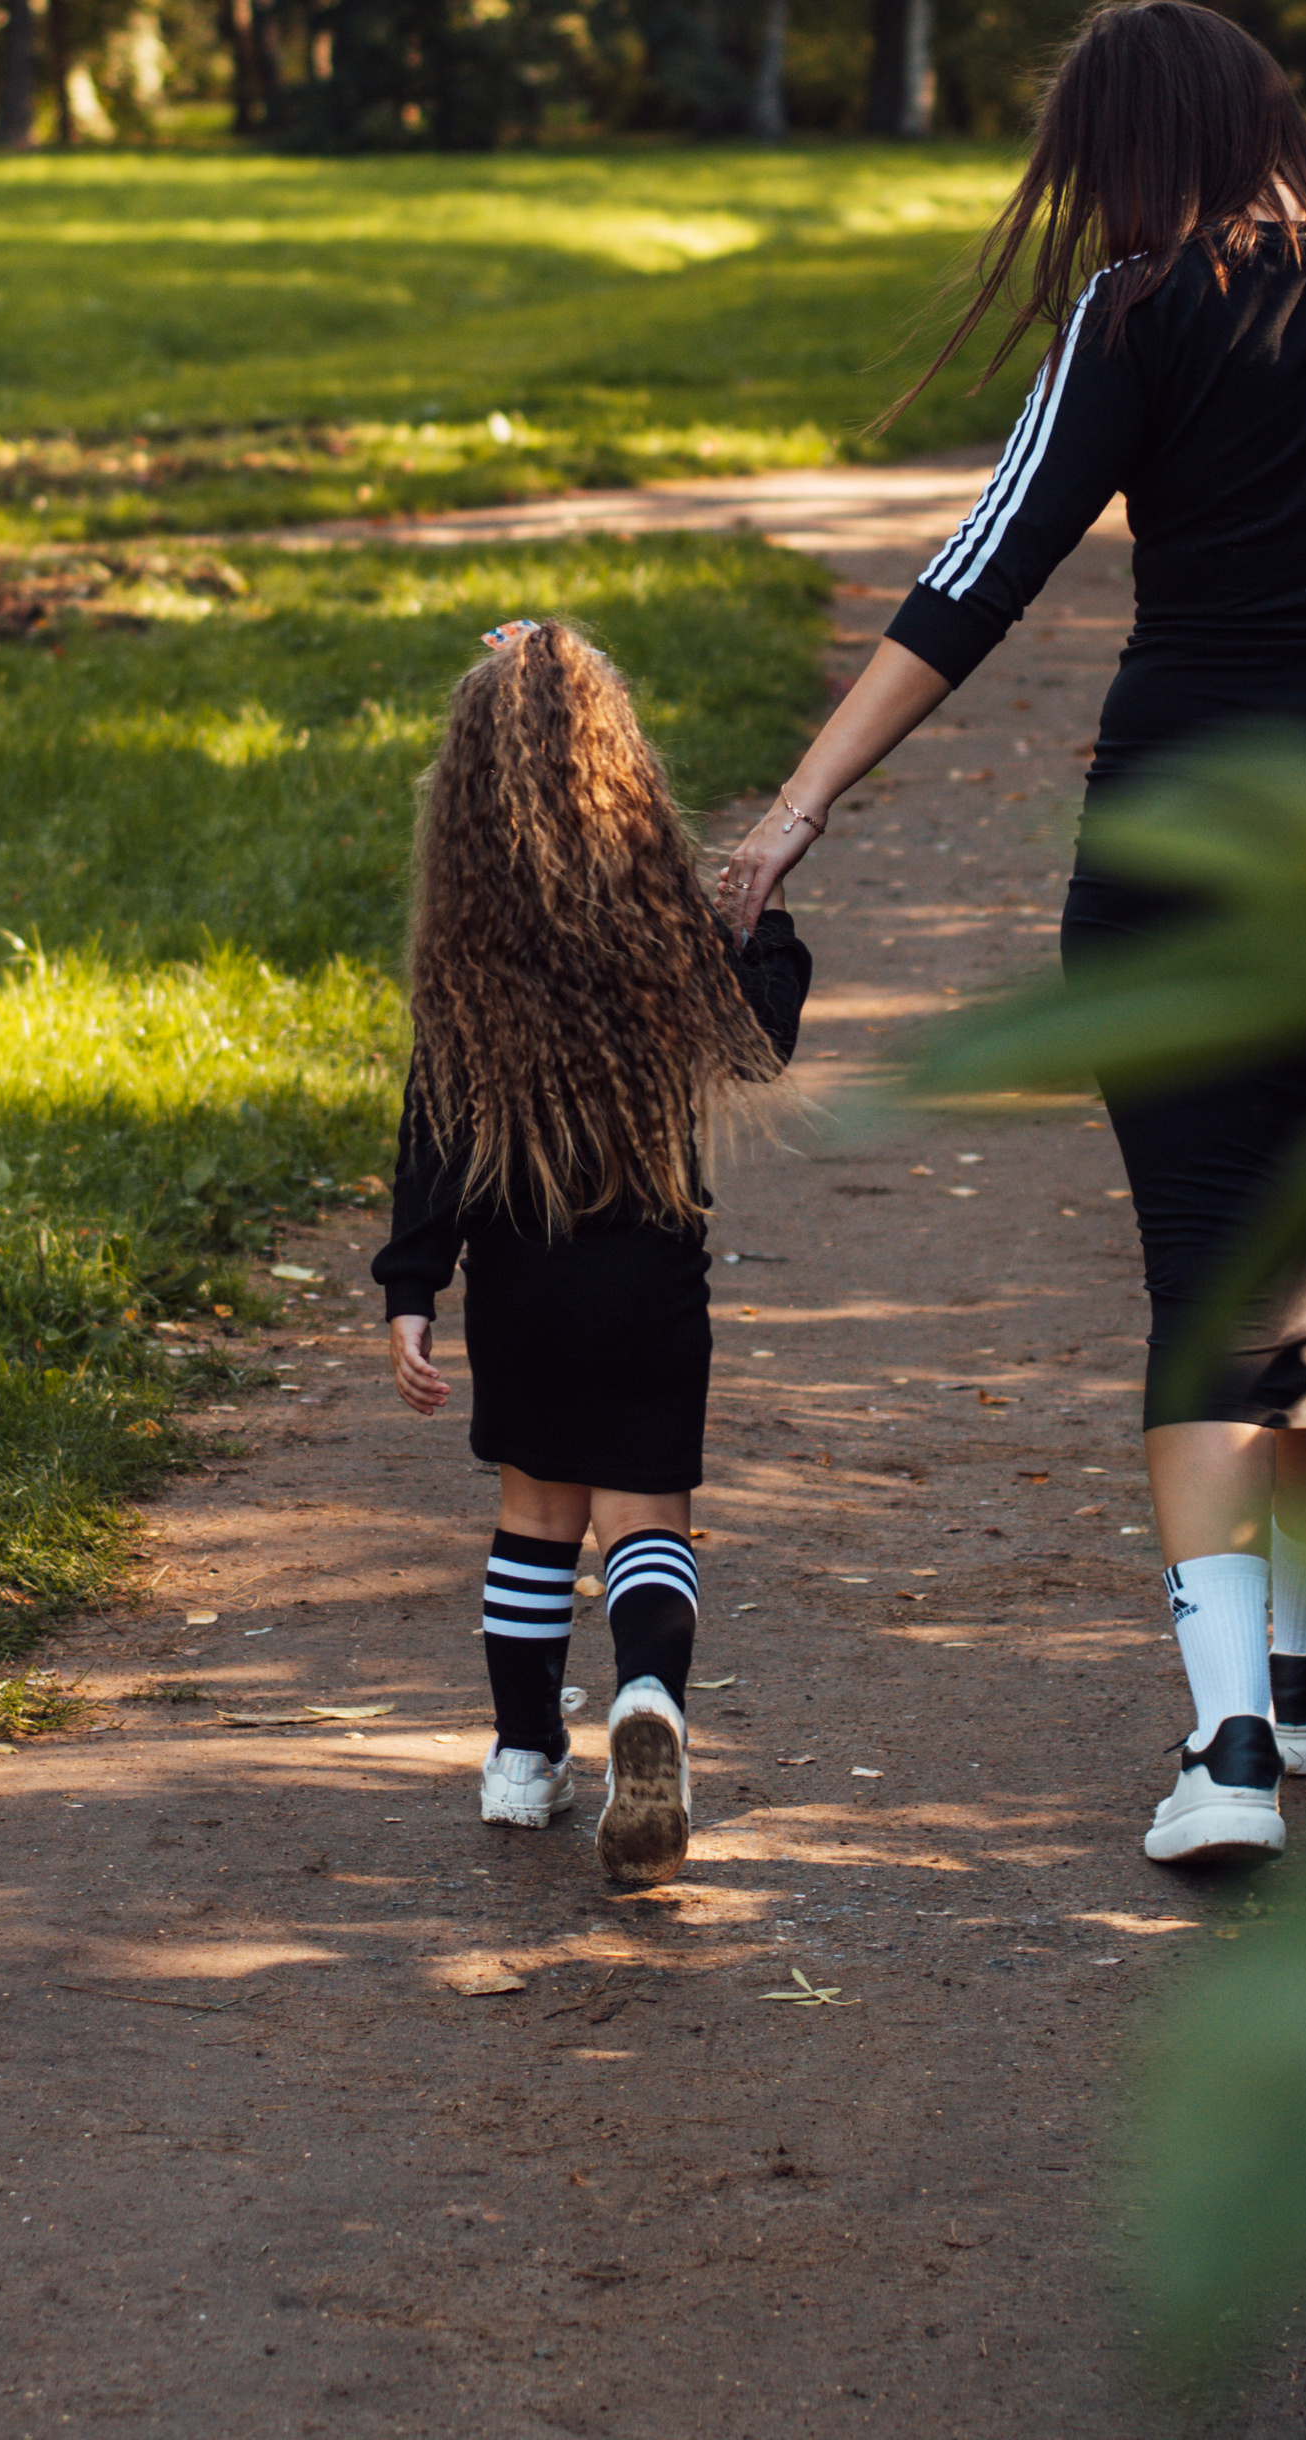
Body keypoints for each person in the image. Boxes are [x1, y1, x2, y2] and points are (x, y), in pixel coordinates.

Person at [719, 0, 1306, 1868]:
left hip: (1174, 858)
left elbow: (980, 572)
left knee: (1212, 1282)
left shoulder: (1131, 314)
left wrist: (797, 812)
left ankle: (1232, 1747)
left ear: (1136, 151)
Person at [372, 616, 811, 1887]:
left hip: (520, 1285)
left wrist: (411, 1287)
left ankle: (523, 1759)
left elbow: (430, 1134)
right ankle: (650, 1704)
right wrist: (768, 930)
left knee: (535, 1520)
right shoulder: (665, 921)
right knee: (643, 1517)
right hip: (651, 1276)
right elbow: (759, 1044)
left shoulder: (466, 951)